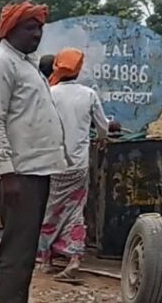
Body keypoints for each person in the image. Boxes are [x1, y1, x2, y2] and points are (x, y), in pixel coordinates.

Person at [0, 1, 69, 303]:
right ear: (11, 29)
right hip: (19, 173)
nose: (37, 33)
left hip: (33, 169)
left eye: (40, 27)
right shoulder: (0, 63)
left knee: (25, 250)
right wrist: (7, 173)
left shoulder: (24, 62)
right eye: (30, 27)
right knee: (17, 251)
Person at [37, 48, 112, 284]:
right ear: (78, 69)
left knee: (51, 209)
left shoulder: (50, 93)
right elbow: (103, 128)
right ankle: (74, 259)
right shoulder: (88, 95)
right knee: (75, 210)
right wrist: (103, 136)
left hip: (52, 163)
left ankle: (46, 258)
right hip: (78, 166)